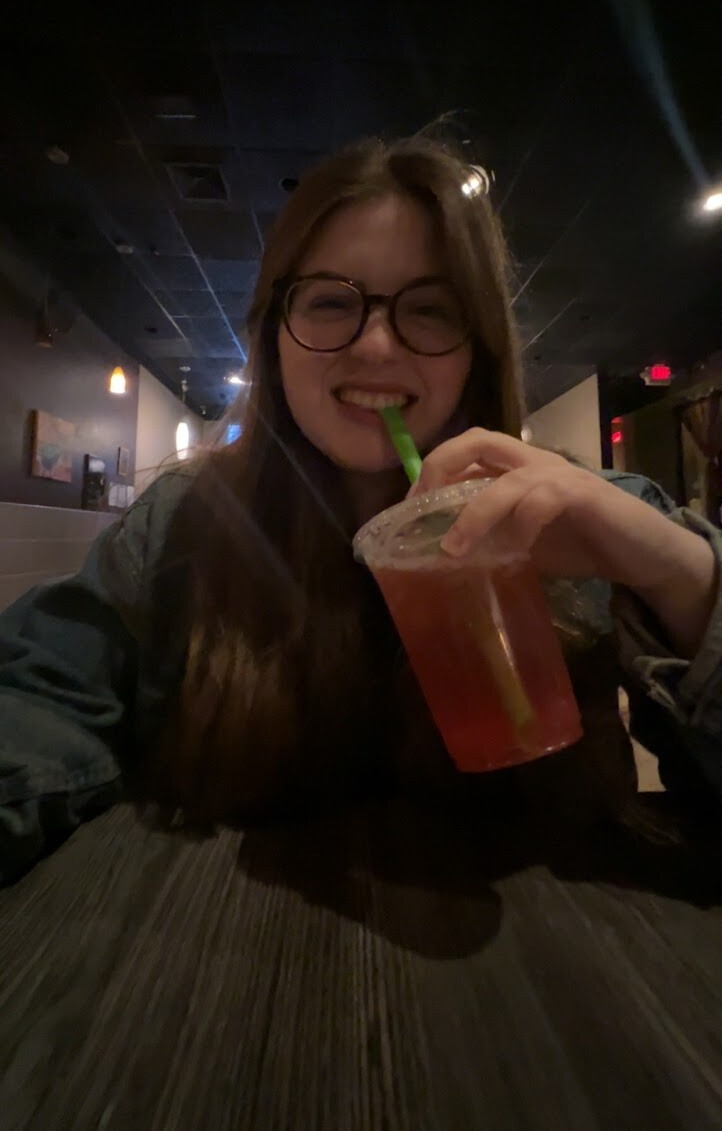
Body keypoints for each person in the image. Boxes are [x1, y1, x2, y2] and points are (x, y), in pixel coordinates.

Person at [1, 138, 720, 884]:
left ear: (477, 347)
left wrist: (682, 575)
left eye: (431, 309)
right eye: (331, 302)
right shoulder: (180, 524)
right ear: (275, 335)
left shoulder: (584, 522)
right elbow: (35, 707)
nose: (377, 345)